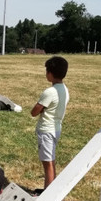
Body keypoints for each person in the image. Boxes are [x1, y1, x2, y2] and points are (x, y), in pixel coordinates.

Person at [30, 56, 69, 191]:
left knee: (47, 164)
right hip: (56, 128)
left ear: (50, 74)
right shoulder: (64, 89)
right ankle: (50, 188)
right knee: (51, 160)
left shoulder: (49, 92)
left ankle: (48, 194)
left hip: (46, 130)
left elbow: (34, 112)